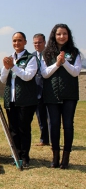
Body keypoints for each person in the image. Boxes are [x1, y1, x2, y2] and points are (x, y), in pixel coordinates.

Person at [40, 24, 81, 169]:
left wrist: (65, 63)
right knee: (54, 125)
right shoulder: (47, 53)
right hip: (52, 95)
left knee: (68, 125)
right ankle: (55, 157)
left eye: (64, 33)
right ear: (54, 35)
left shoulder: (74, 52)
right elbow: (44, 73)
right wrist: (57, 63)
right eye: (59, 34)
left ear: (68, 35)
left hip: (70, 95)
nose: (62, 36)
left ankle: (65, 158)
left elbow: (76, 72)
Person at [0, 32, 38, 168]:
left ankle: (25, 157)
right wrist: (6, 67)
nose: (17, 43)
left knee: (23, 129)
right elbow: (3, 79)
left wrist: (13, 67)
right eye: (14, 41)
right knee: (13, 129)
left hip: (26, 100)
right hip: (11, 100)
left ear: (25, 42)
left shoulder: (31, 58)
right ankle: (15, 155)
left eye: (20, 40)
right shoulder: (10, 58)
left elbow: (28, 76)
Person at [32, 33, 50, 146]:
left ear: (44, 42)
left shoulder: (50, 55)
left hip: (49, 90)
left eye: (39, 42)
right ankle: (44, 139)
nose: (37, 44)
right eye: (35, 43)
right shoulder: (31, 56)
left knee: (52, 117)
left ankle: (53, 140)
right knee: (41, 116)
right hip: (37, 90)